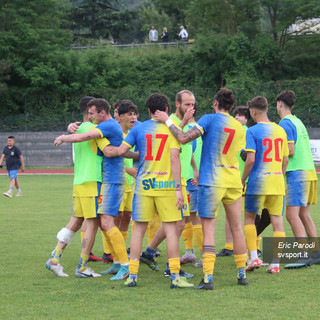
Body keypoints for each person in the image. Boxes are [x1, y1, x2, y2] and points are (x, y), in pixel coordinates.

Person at [154, 88, 248, 289]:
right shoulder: (238, 126)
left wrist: (167, 120)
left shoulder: (210, 119)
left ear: (215, 103)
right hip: (233, 180)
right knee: (237, 228)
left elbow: (183, 137)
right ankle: (241, 274)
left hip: (212, 181)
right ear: (231, 106)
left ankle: (208, 278)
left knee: (209, 229)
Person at [54, 98, 138, 280]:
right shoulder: (101, 127)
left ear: (101, 112)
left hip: (111, 181)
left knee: (105, 222)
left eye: (92, 113)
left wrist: (63, 137)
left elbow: (84, 137)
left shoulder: (105, 126)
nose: (89, 115)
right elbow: (109, 151)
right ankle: (117, 263)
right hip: (104, 181)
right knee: (102, 222)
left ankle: (126, 265)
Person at [118, 93, 194, 289]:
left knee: (139, 231)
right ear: (167, 110)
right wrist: (178, 189)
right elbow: (175, 159)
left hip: (143, 186)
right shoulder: (172, 131)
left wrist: (139, 154)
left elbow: (122, 151)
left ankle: (132, 275)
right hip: (167, 186)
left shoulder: (140, 128)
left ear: (149, 111)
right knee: (171, 230)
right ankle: (175, 276)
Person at [46, 96, 103, 278]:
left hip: (79, 181)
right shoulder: (93, 129)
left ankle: (54, 259)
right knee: (92, 224)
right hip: (92, 181)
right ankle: (83, 267)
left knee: (76, 221)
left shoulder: (78, 129)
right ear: (90, 110)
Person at [242, 96, 289, 274]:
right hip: (277, 182)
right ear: (267, 109)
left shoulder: (252, 131)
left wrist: (242, 180)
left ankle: (253, 257)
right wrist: (279, 176)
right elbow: (285, 160)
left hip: (258, 182)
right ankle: (275, 263)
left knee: (249, 219)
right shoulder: (280, 130)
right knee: (278, 223)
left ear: (253, 112)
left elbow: (250, 159)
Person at [276, 90, 320, 268]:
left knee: (291, 215)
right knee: (304, 214)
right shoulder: (298, 121)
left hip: (297, 173)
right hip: (309, 171)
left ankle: (303, 255)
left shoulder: (285, 123)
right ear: (292, 105)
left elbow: (290, 151)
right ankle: (316, 253)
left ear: (279, 104)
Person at [217, 106, 250, 257]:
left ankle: (253, 246)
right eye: (236, 114)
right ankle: (230, 246)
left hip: (244, 178)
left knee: (250, 214)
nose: (237, 117)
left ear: (248, 118)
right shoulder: (236, 130)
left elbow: (246, 155)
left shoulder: (245, 131)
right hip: (234, 177)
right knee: (233, 214)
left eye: (241, 115)